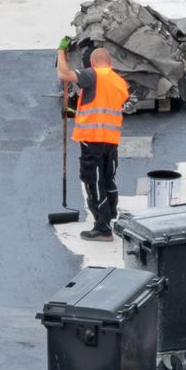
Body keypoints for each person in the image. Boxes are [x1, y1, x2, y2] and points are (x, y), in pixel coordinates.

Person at [56, 42, 128, 240]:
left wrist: (61, 53)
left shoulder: (94, 74)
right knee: (107, 179)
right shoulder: (118, 82)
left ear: (93, 62)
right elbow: (100, 103)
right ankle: (110, 213)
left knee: (93, 181)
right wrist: (75, 111)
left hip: (92, 140)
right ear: (110, 62)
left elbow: (64, 75)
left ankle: (103, 228)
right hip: (111, 140)